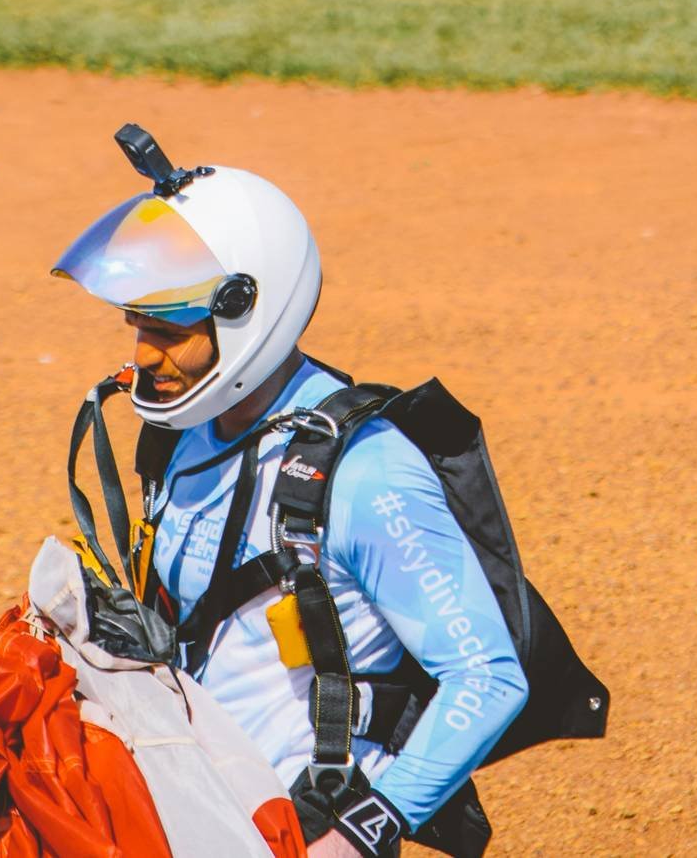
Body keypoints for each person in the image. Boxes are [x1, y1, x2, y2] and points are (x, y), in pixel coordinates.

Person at [52, 140, 529, 857]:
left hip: (297, 824)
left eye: (169, 332)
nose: (144, 357)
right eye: (138, 328)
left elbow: (486, 678)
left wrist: (359, 834)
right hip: (191, 804)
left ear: (248, 313)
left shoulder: (367, 473)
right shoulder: (187, 433)